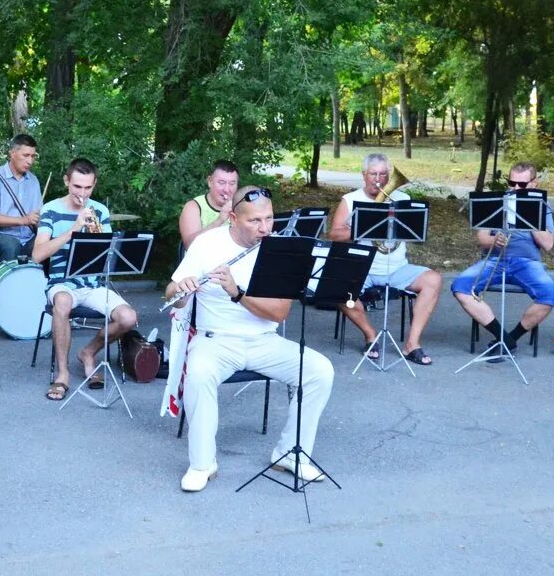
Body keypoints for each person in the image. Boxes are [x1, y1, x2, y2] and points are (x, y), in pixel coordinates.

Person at [166, 185, 335, 492]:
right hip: (215, 340)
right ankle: (202, 464)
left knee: (319, 370)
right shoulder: (206, 244)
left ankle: (290, 453)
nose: (265, 228)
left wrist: (237, 294)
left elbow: (278, 313)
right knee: (199, 375)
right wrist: (180, 293)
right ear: (232, 217)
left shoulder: (279, 248)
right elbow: (171, 293)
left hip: (264, 341)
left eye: (269, 219)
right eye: (254, 221)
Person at [32, 158, 138, 401]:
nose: (82, 193)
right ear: (67, 181)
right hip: (61, 282)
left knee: (128, 317)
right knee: (62, 303)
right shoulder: (51, 209)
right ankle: (62, 374)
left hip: (91, 284)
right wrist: (73, 230)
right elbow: (38, 254)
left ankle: (89, 352)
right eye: (77, 187)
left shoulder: (99, 210)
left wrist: (98, 236)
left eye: (88, 188)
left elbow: (110, 254)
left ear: (94, 184)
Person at [328, 153, 443, 366]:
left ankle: (412, 344)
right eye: (373, 174)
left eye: (383, 174)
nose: (378, 179)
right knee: (340, 291)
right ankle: (370, 335)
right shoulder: (351, 200)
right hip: (362, 268)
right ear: (364, 175)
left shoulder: (403, 200)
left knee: (433, 280)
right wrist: (362, 227)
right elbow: (334, 235)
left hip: (398, 268)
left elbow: (417, 235)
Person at [450, 162, 554, 360]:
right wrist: (494, 240)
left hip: (527, 261)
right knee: (460, 286)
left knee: (550, 294)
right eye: (512, 183)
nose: (516, 188)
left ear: (534, 184)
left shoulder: (543, 206)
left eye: (522, 185)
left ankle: (512, 338)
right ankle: (502, 338)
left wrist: (530, 217)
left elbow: (548, 244)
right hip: (495, 259)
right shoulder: (496, 201)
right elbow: (481, 239)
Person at [0, 134, 42, 262]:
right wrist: (23, 220)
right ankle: (7, 281)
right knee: (11, 245)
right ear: (12, 154)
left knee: (49, 242)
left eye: (33, 156)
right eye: (26, 155)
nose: (30, 161)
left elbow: (37, 215)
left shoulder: (33, 180)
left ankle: (47, 282)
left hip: (27, 237)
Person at [178, 160, 239, 250]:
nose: (227, 189)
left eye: (232, 183)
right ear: (210, 182)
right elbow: (189, 245)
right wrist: (220, 220)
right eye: (221, 182)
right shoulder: (194, 207)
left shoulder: (241, 206)